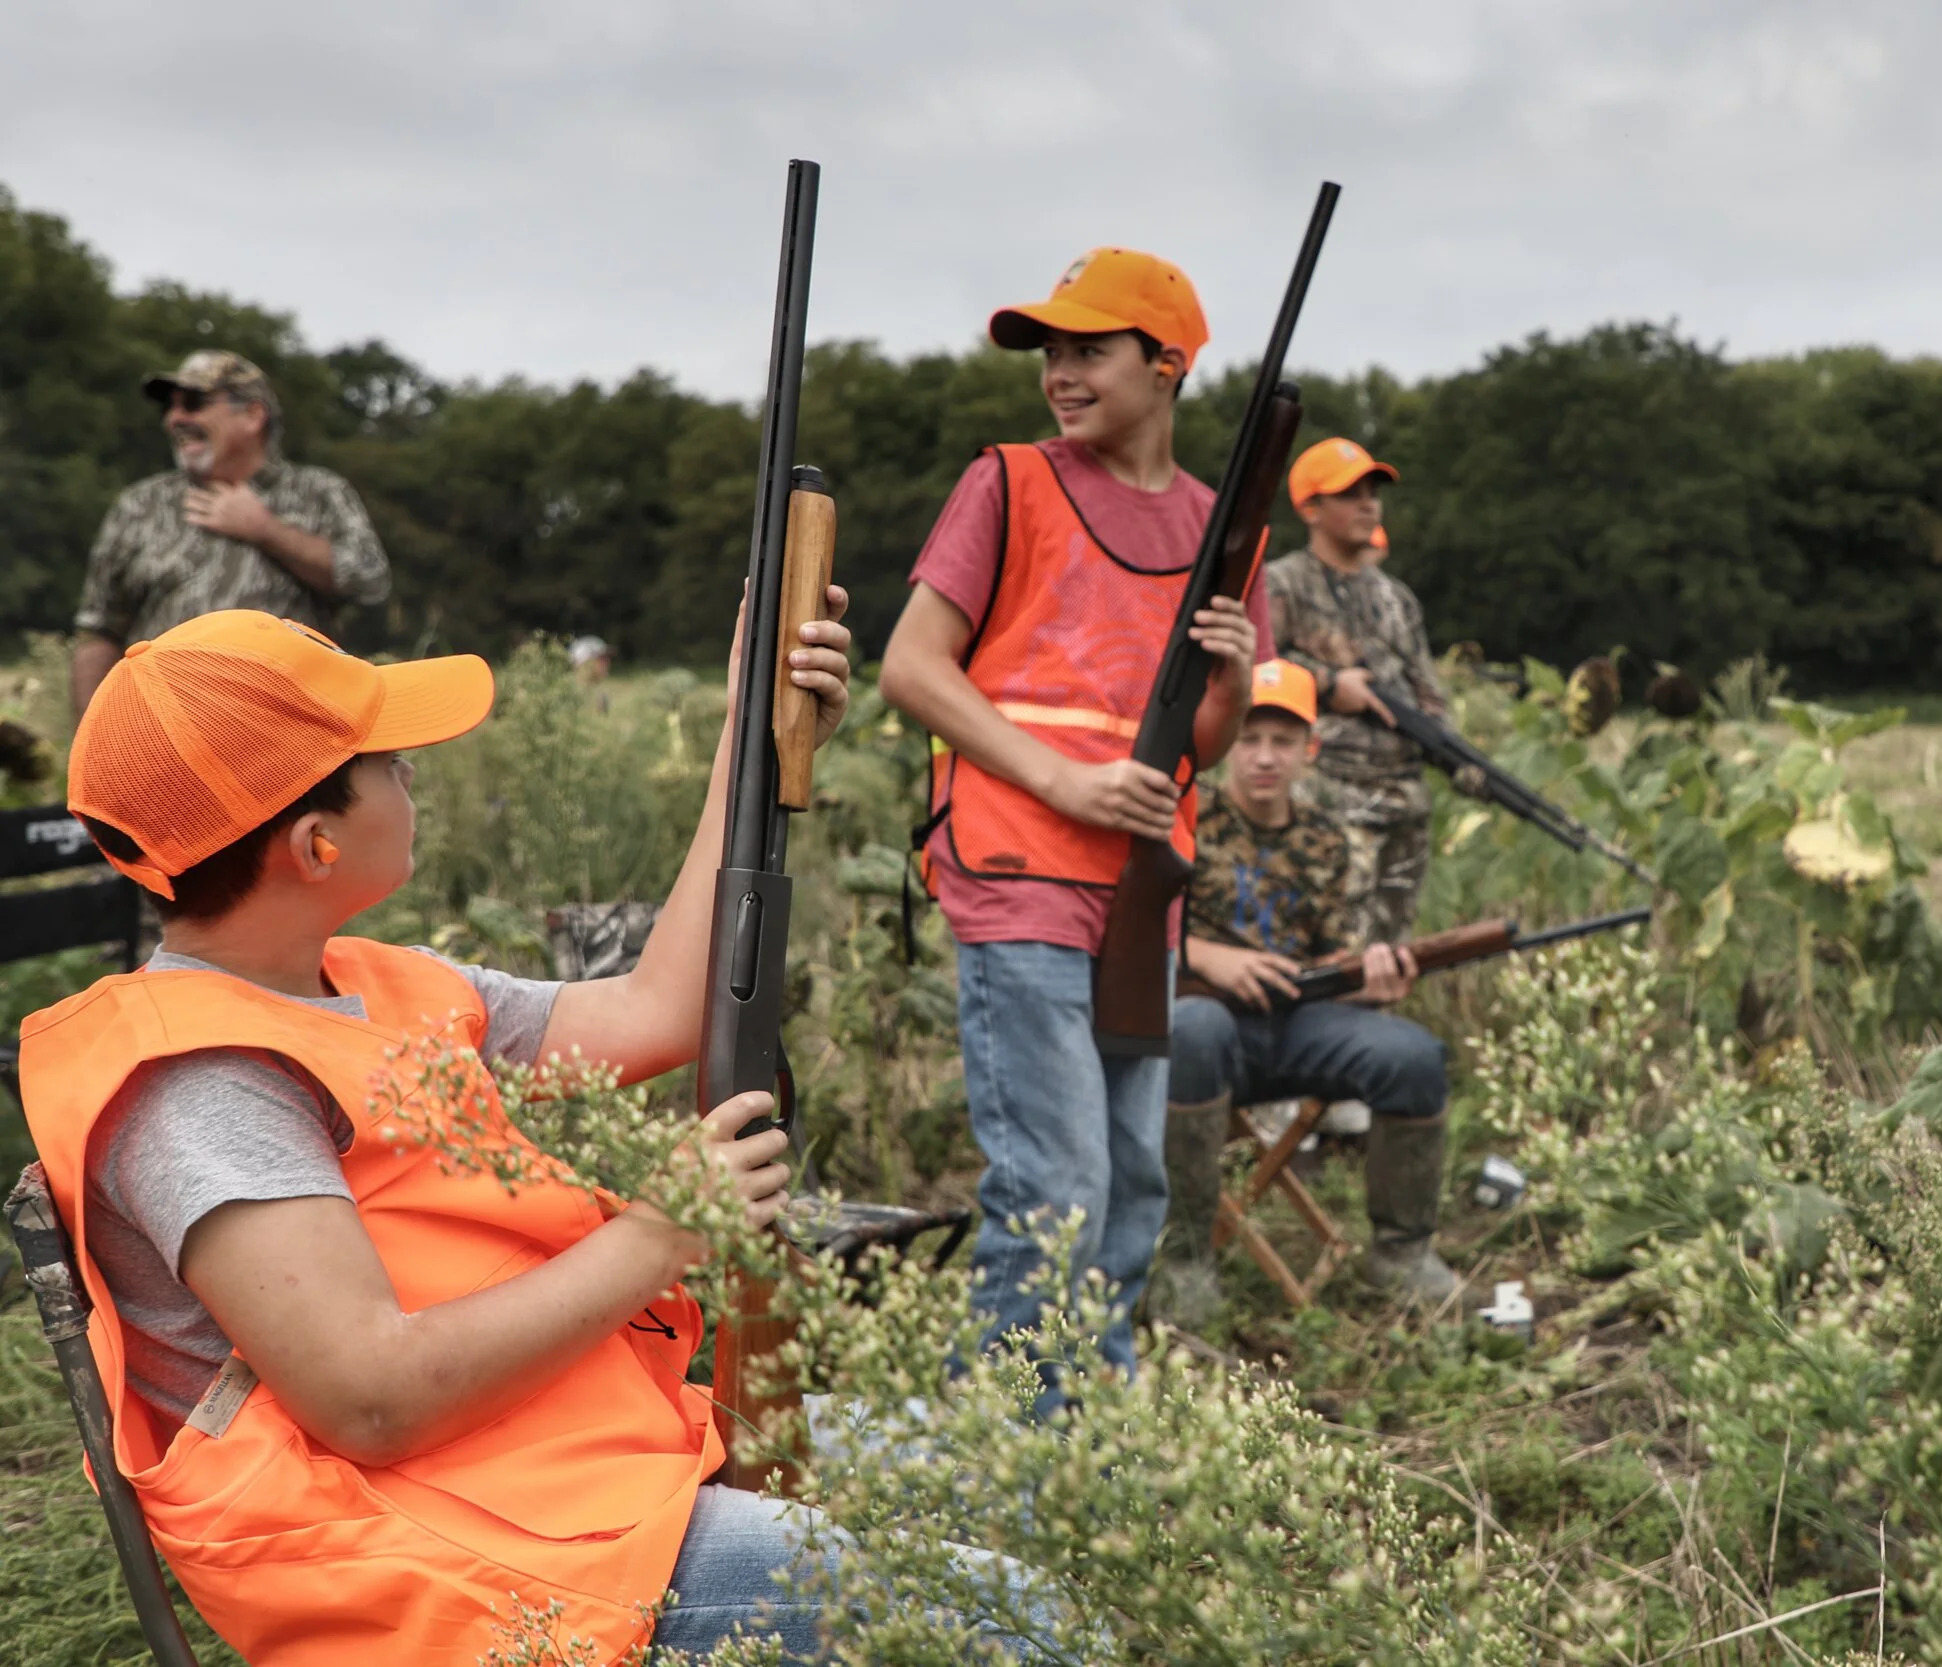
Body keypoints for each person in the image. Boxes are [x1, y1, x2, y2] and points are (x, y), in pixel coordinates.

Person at [11, 601, 1023, 1664]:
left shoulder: (366, 983)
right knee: (1021, 1612)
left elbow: (658, 1009)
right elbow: (373, 1399)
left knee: (1019, 1475)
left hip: (556, 1463)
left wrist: (751, 729)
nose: (413, 774)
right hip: (452, 1565)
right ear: (314, 844)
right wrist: (662, 1232)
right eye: (387, 761)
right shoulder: (203, 1085)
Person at [879, 246, 1267, 1397]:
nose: (1059, 372)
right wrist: (1065, 782)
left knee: (1133, 1183)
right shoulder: (1008, 483)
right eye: (1051, 350)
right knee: (1056, 1189)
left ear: (1167, 364)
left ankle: (1087, 1426)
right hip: (1016, 870)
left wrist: (1237, 679)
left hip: (1141, 891)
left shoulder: (1222, 528)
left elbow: (1200, 746)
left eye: (1089, 349)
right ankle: (1011, 1443)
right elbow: (911, 667)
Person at [1153, 659, 1458, 1328]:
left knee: (1412, 1056)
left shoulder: (1328, 839)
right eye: (1250, 737)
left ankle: (1401, 1253)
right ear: (1226, 738)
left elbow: (1335, 964)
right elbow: (1137, 932)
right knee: (1195, 1029)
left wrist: (1372, 980)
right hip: (1203, 1028)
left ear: (1309, 750)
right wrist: (1209, 958)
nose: (1265, 756)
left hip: (1297, 1026)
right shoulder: (1184, 817)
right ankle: (1184, 1257)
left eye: (1283, 740)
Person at [72, 350, 391, 722]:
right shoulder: (141, 504)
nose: (175, 419)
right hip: (167, 728)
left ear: (253, 416)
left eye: (194, 403)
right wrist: (91, 736)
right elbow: (99, 631)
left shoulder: (318, 493)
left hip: (287, 728)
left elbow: (370, 582)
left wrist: (266, 531)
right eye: (169, 407)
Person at [1266, 438, 1444, 952]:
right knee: (1334, 950)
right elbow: (1256, 666)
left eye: (1373, 493)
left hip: (1405, 797)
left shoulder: (1396, 598)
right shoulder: (1282, 584)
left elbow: (1428, 690)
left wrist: (1452, 750)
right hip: (1330, 793)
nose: (1368, 505)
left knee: (1392, 952)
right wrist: (1327, 683)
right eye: (1350, 495)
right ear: (1310, 509)